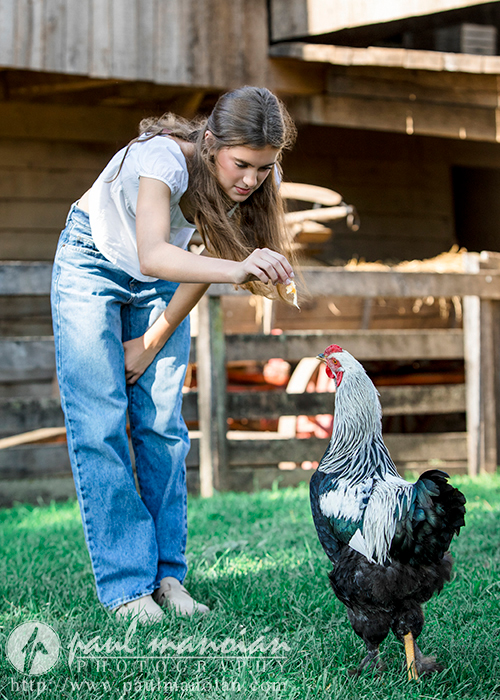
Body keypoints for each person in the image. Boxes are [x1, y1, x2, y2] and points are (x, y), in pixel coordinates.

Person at [51, 86, 298, 623]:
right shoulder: (161, 159)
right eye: (241, 164)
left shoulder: (255, 179)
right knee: (100, 426)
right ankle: (126, 588)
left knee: (163, 427)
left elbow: (198, 258)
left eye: (263, 167)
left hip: (163, 282)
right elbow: (154, 252)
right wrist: (237, 269)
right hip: (91, 263)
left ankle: (168, 577)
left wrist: (152, 341)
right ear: (210, 144)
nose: (251, 179)